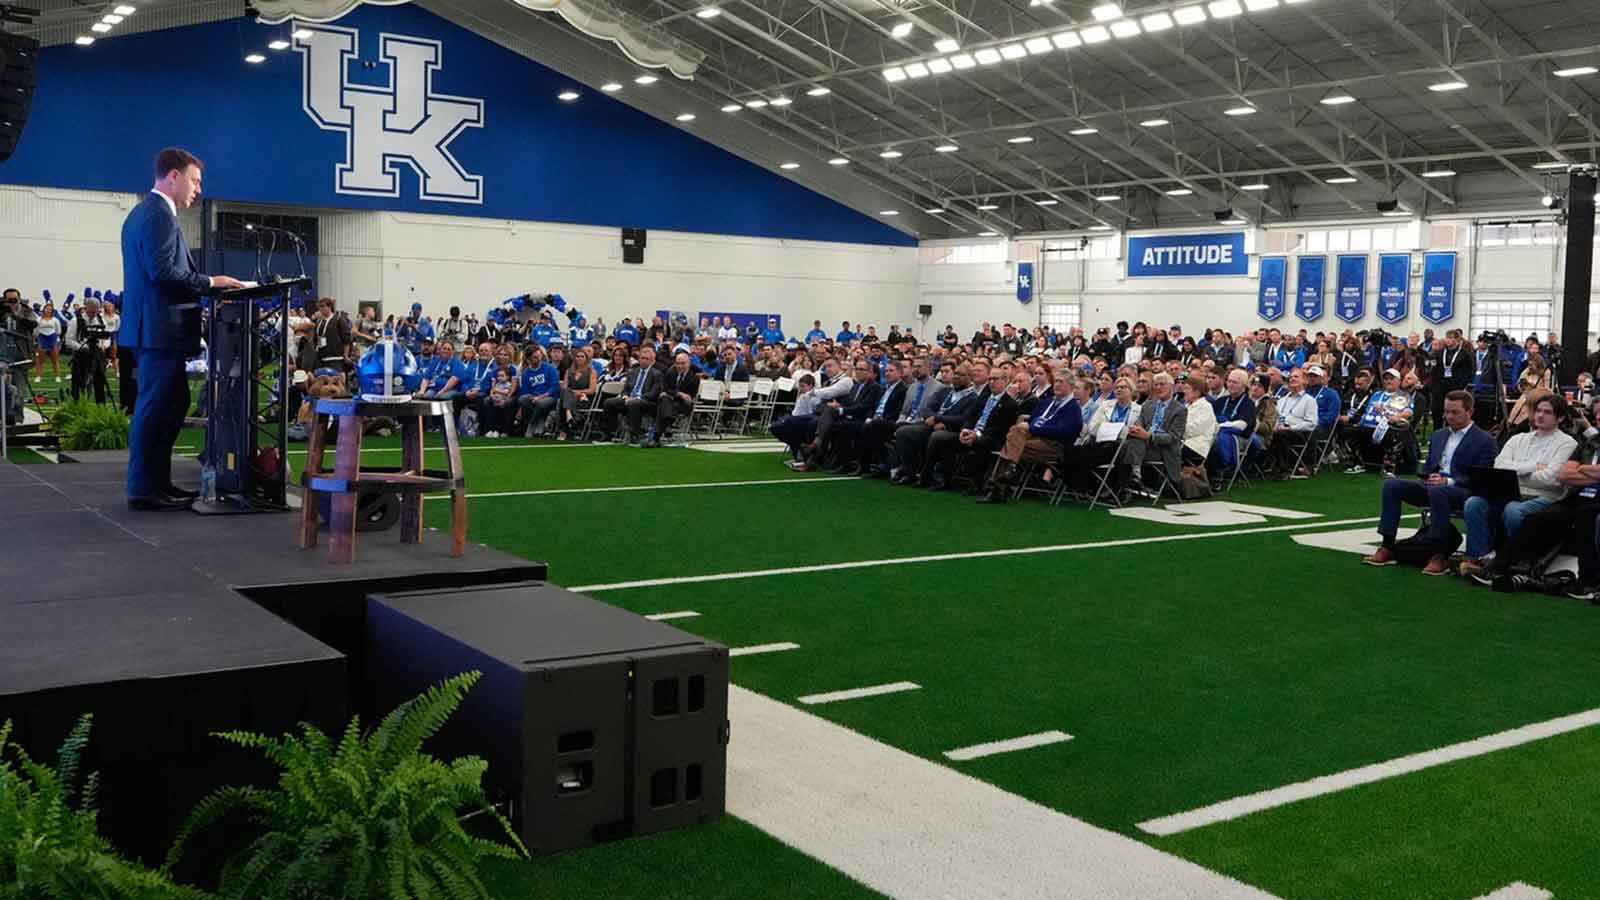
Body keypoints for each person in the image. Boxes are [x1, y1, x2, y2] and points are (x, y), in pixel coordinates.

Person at [120, 147, 245, 510]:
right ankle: (144, 489)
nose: (198, 189)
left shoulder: (148, 213)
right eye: (195, 180)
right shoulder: (157, 214)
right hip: (158, 331)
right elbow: (162, 272)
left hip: (156, 330)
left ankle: (158, 484)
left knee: (172, 404)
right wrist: (211, 282)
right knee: (155, 408)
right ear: (173, 176)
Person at [1363, 390, 1498, 574]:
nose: (1449, 416)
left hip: (1462, 491)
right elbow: (1428, 467)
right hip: (1434, 486)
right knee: (1391, 485)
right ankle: (1387, 545)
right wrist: (1428, 477)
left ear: (1470, 412)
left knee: (1438, 492)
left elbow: (1481, 477)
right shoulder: (1438, 435)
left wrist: (1448, 481)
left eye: (1455, 412)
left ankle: (1439, 554)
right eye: (1446, 411)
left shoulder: (1485, 440)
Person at [1457, 393, 1577, 579]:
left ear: (1560, 418)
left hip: (1545, 497)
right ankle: (1480, 557)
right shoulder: (1518, 438)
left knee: (1514, 510)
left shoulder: (1567, 443)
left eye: (1547, 412)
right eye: (1538, 411)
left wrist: (1516, 472)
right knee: (1474, 503)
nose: (1540, 415)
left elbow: (1551, 479)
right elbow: (1499, 466)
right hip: (1510, 492)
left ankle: (1515, 560)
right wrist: (1533, 467)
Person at [981, 371, 1083, 503]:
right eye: (1055, 381)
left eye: (1060, 382)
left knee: (1011, 443)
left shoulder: (1073, 408)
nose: (1056, 385)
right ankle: (1009, 471)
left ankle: (996, 487)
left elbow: (1064, 433)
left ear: (1071, 386)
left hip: (1053, 445)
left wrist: (1033, 429)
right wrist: (1028, 427)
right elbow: (1031, 420)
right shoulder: (1047, 402)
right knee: (1015, 434)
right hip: (1029, 439)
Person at [32, 302, 60, 382]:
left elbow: (58, 331)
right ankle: (38, 376)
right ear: (44, 309)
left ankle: (57, 376)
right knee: (40, 360)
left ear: (52, 311)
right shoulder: (38, 319)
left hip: (52, 339)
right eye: (47, 309)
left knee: (55, 359)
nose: (48, 310)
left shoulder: (55, 320)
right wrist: (36, 339)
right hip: (42, 339)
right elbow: (35, 331)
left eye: (50, 309)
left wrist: (56, 339)